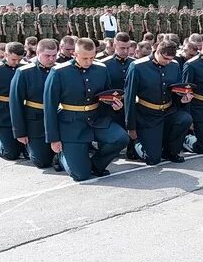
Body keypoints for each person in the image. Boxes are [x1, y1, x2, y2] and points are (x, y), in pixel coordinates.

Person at [43, 38, 128, 181]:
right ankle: (62, 156)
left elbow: (106, 97)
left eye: (92, 57)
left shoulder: (101, 69)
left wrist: (115, 106)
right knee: (81, 175)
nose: (89, 62)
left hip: (96, 120)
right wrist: (54, 138)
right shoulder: (59, 72)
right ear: (75, 54)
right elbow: (49, 107)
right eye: (85, 58)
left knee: (120, 138)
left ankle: (96, 164)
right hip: (72, 125)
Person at [125, 40, 192, 164]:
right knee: (153, 159)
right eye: (165, 58)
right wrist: (131, 127)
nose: (167, 62)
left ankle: (171, 151)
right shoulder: (138, 66)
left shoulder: (174, 65)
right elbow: (129, 97)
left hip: (168, 111)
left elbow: (176, 89)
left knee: (185, 119)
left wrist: (182, 99)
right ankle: (137, 143)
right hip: (147, 115)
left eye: (170, 59)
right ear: (157, 52)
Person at [11, 38, 60, 170]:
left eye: (54, 55)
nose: (51, 59)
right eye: (47, 56)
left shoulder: (60, 70)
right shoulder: (24, 72)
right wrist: (20, 132)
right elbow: (16, 104)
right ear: (38, 53)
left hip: (58, 119)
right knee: (42, 162)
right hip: (36, 121)